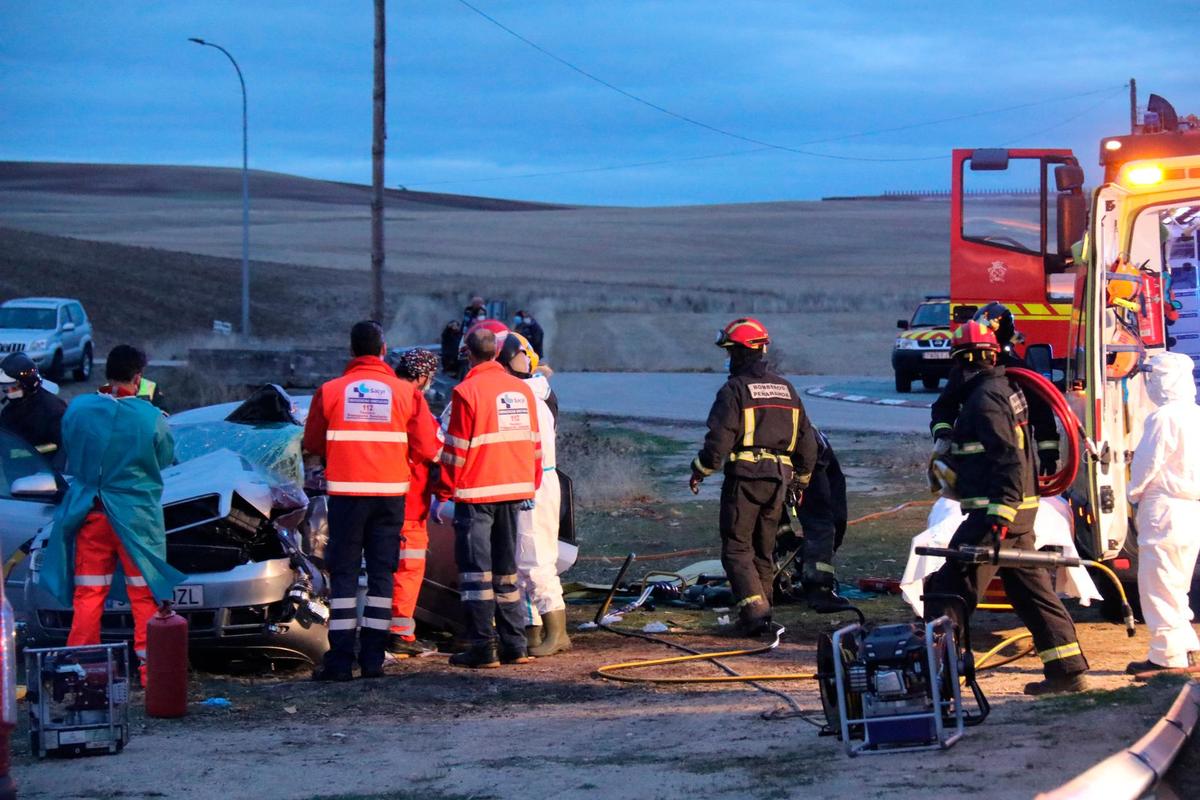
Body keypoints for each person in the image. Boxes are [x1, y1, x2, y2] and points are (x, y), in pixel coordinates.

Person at [923, 320, 1089, 695]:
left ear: (963, 363)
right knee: (1030, 591)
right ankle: (1067, 667)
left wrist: (1000, 513)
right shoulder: (1003, 388)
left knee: (950, 589)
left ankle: (936, 677)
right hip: (1016, 515)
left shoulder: (984, 401)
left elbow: (1009, 459)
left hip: (994, 515)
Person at [302, 321, 442, 681]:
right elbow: (428, 447)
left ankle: (340, 660)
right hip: (390, 497)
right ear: (384, 350)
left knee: (345, 575)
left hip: (347, 497)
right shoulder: (406, 394)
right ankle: (374, 660)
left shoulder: (330, 391)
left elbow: (314, 443)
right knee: (383, 575)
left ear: (351, 352)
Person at [39, 345, 182, 683]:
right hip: (135, 520)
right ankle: (152, 672)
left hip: (91, 513)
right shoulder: (150, 418)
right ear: (139, 377)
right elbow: (163, 459)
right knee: (143, 592)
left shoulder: (78, 409)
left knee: (89, 593)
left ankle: (80, 668)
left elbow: (69, 450)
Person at [689, 318, 818, 635]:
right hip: (779, 481)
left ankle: (754, 612)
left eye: (731, 352)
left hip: (746, 480)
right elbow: (807, 441)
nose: (728, 358)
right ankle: (764, 614)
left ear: (742, 353)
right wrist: (801, 481)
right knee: (763, 549)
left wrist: (700, 470)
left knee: (736, 548)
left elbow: (719, 440)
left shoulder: (735, 390)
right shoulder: (786, 389)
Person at [434, 326, 542, 668]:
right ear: (497, 353)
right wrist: (531, 482)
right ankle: (515, 645)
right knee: (506, 572)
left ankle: (483, 646)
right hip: (514, 490)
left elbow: (455, 451)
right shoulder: (521, 391)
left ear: (468, 354)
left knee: (475, 575)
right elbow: (534, 444)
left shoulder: (466, 392)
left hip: (476, 493)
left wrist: (442, 492)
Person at [1125, 352, 1200, 675]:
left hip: (1163, 509)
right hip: (1189, 510)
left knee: (1158, 586)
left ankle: (1166, 657)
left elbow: (1146, 463)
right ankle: (1187, 647)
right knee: (1176, 584)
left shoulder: (1163, 418)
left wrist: (1131, 492)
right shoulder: (1194, 415)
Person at [499, 331, 569, 656]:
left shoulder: (524, 397)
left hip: (534, 482)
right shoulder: (538, 392)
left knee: (535, 557)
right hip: (534, 479)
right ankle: (533, 629)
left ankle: (557, 632)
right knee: (521, 558)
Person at [931, 303, 1059, 477]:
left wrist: (1048, 453)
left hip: (1002, 463)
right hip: (986, 464)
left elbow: (1041, 412)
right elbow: (944, 408)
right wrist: (943, 433)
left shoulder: (1020, 373)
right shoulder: (963, 373)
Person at [387, 348, 445, 658]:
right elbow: (431, 448)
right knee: (408, 566)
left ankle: (375, 628)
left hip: (369, 497)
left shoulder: (378, 396)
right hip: (409, 499)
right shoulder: (413, 400)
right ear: (422, 377)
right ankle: (400, 633)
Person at [787, 427, 851, 611]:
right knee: (821, 526)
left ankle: (817, 584)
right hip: (801, 462)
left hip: (814, 464)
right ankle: (818, 590)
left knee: (824, 526)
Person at [0, 352, 67, 463]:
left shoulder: (52, 410)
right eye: (5, 388)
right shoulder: (9, 411)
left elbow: (61, 447)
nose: (8, 392)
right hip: (16, 472)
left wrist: (21, 453)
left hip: (44, 472)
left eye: (13, 387)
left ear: (28, 384)